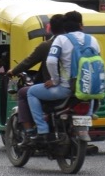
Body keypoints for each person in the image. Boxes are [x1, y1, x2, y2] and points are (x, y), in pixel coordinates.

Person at [26, 11, 100, 144]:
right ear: (81, 25)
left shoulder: (61, 39)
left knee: (31, 92)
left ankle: (42, 130)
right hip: (88, 89)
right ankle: (85, 127)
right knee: (89, 98)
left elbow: (51, 61)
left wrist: (55, 80)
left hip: (66, 89)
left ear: (65, 27)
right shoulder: (93, 40)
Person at [7, 14, 66, 142]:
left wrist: (13, 71)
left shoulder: (47, 46)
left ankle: (35, 130)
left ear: (49, 28)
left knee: (25, 92)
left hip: (57, 88)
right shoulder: (75, 44)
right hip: (76, 87)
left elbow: (28, 62)